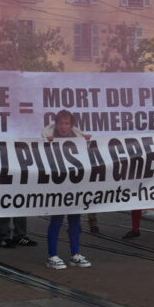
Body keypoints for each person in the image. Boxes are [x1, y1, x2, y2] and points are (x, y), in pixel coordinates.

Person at [43, 109, 91, 269]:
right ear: (56, 124)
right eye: (61, 123)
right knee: (56, 220)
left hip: (74, 186)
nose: (64, 127)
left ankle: (75, 254)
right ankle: (52, 255)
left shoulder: (79, 139)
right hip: (56, 186)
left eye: (67, 123)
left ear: (71, 125)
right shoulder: (47, 139)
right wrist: (46, 142)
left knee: (75, 221)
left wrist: (88, 143)